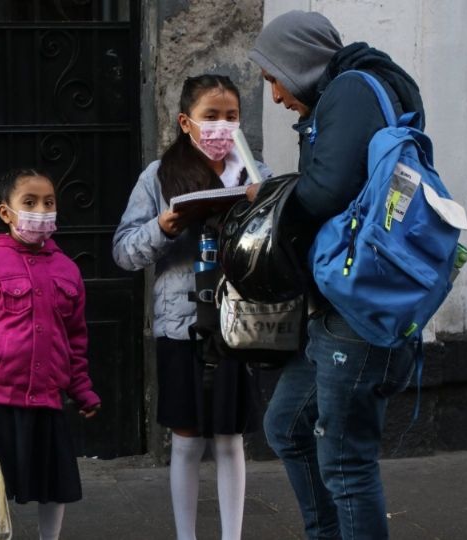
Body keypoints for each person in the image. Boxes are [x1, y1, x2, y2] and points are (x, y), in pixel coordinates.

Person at [247, 11, 421, 540]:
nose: (275, 96)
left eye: (275, 77)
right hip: (339, 299)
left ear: (299, 63)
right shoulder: (357, 89)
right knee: (287, 426)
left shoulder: (350, 91)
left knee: (346, 463)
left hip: (358, 305)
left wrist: (270, 199)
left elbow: (325, 191)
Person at [112, 74, 272, 540]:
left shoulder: (253, 171)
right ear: (186, 122)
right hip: (181, 325)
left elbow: (278, 242)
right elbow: (123, 252)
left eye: (231, 117)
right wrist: (162, 227)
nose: (222, 126)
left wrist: (261, 208)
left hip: (238, 320)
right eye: (211, 117)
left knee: (229, 436)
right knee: (186, 438)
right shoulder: (158, 176)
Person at [0, 168, 101, 540]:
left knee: (54, 482)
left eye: (48, 202)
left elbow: (75, 339)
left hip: (48, 398)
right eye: (29, 203)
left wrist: (82, 389)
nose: (41, 210)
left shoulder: (67, 269)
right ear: (6, 213)